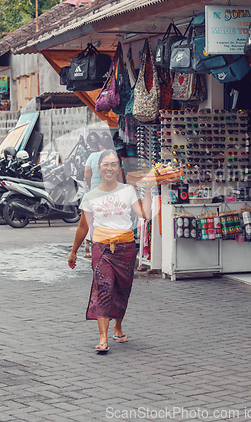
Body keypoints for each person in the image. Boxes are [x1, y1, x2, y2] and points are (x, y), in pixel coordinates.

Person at [68, 149, 151, 353]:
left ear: (118, 169)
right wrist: (74, 251)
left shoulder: (128, 191)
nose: (109, 168)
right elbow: (83, 227)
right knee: (103, 288)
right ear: (99, 168)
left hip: (126, 248)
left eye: (114, 164)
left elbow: (144, 214)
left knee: (122, 289)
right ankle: (103, 337)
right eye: (106, 164)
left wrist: (147, 191)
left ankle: (118, 326)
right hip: (102, 248)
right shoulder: (90, 196)